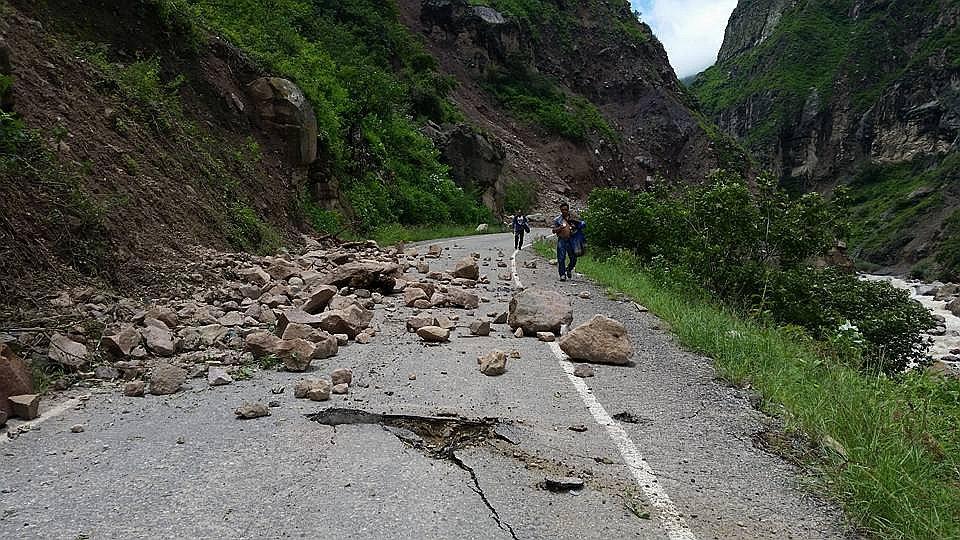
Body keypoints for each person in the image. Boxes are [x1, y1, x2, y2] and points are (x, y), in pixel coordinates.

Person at [552, 202, 583, 281]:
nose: (564, 211)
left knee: (573, 258)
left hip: (572, 240)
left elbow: (581, 225)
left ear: (568, 210)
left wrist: (574, 226)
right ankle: (562, 274)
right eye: (562, 210)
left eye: (565, 210)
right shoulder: (557, 219)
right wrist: (560, 228)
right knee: (561, 258)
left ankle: (569, 269)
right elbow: (553, 230)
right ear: (560, 210)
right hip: (562, 240)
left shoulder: (573, 218)